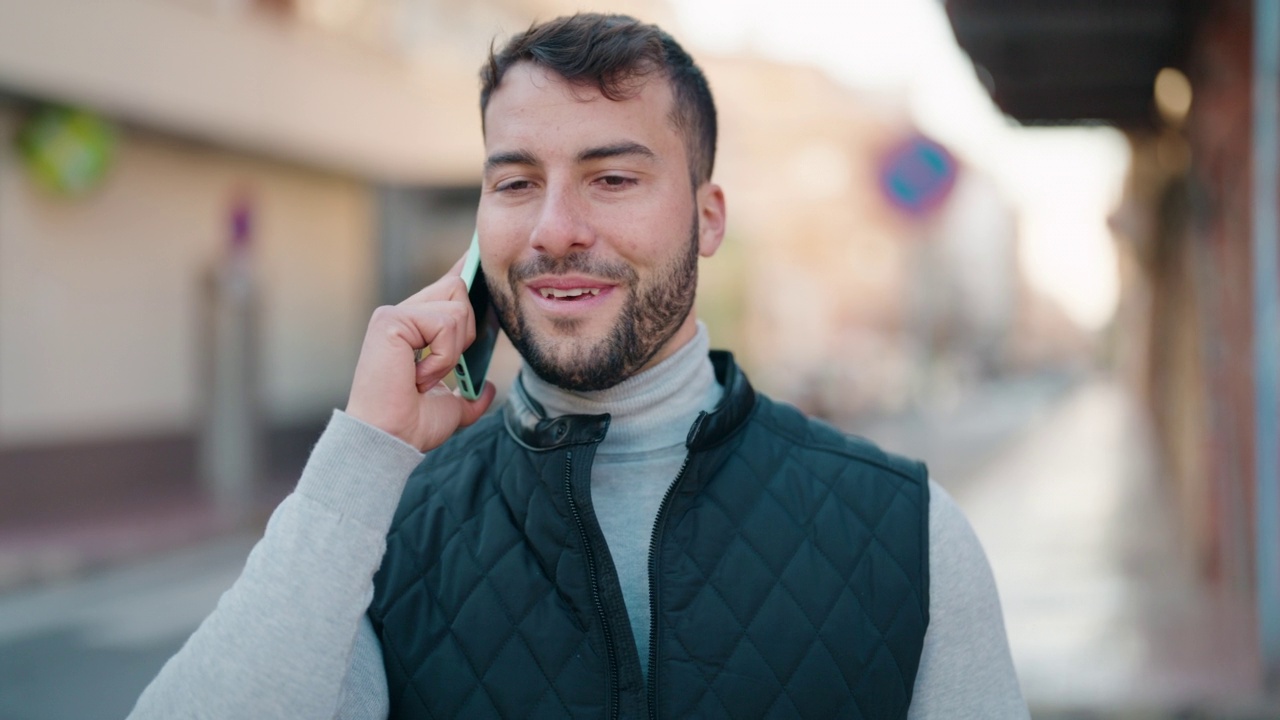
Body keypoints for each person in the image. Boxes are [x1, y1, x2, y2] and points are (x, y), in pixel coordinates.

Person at [131, 13, 1027, 719]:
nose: (555, 227)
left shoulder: (907, 535)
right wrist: (366, 456)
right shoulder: (382, 539)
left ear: (708, 218)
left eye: (612, 178)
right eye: (516, 182)